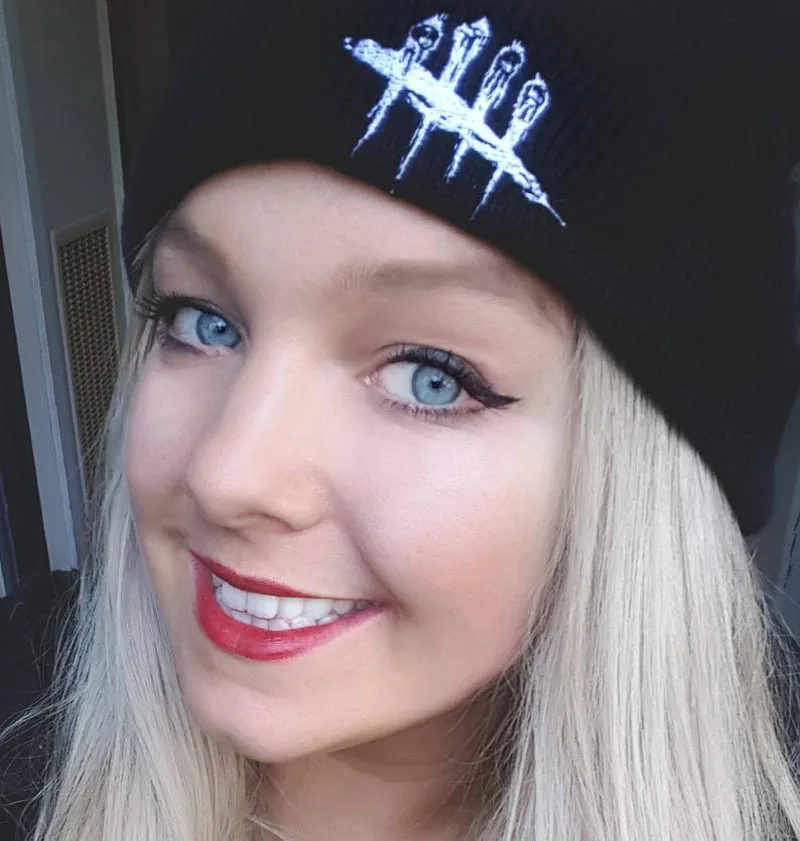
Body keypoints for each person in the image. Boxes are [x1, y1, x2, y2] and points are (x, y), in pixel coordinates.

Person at [2, 0, 800, 839]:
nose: (228, 474)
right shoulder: (23, 709)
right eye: (203, 320)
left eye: (430, 376)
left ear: (640, 486)